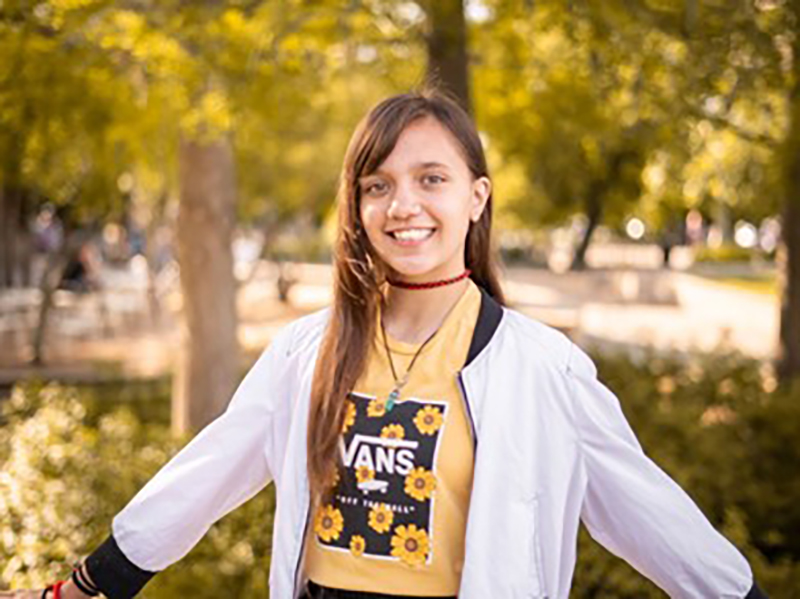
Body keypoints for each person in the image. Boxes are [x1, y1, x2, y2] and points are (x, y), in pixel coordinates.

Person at [3, 88, 767, 599]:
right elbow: (206, 473)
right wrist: (89, 583)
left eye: (431, 179)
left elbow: (650, 512)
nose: (404, 204)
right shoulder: (307, 351)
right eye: (378, 184)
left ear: (477, 196)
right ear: (358, 204)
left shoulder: (543, 368)